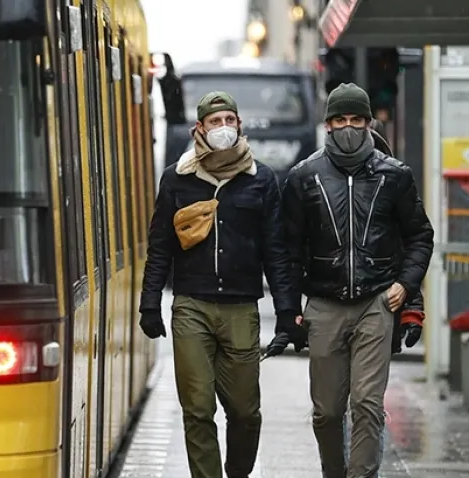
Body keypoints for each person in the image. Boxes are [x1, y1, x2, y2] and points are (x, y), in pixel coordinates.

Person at [139, 91, 296, 478]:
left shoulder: (261, 180)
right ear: (200, 128)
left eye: (229, 120)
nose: (223, 127)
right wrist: (149, 302)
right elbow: (160, 246)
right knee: (197, 408)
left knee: (245, 412)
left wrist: (288, 312)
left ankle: (238, 472)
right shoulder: (177, 179)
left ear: (239, 125)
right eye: (215, 121)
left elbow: (276, 251)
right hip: (191, 306)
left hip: (241, 309)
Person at [280, 83, 434, 478]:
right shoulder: (304, 177)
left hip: (376, 303)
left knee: (367, 403)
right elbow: (287, 249)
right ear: (328, 124)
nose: (348, 127)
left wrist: (405, 285)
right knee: (327, 412)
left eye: (356, 119)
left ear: (368, 123)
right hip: (324, 304)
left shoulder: (394, 175)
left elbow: (419, 236)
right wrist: (289, 309)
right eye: (340, 120)